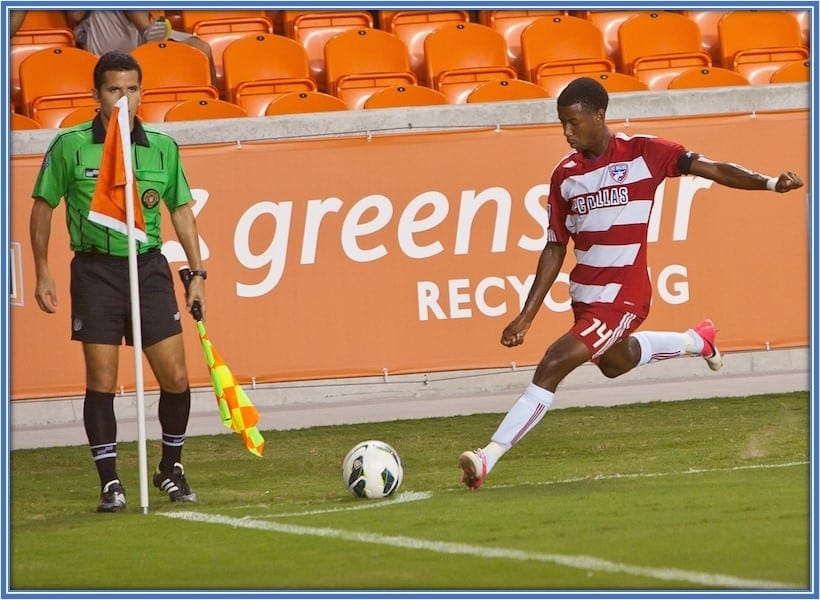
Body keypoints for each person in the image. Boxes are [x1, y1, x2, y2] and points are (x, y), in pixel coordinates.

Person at [458, 76, 804, 490]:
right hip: (586, 296)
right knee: (614, 364)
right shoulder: (564, 176)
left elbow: (712, 169)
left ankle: (486, 457)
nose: (567, 133)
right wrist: (526, 315)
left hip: (624, 297)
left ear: (599, 115)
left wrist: (768, 182)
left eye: (574, 122)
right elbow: (554, 247)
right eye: (562, 124)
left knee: (552, 364)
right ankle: (699, 340)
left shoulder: (645, 153)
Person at [29, 50, 207, 512]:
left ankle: (171, 468)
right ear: (96, 95)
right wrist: (43, 269)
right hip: (94, 270)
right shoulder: (69, 146)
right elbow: (43, 206)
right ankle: (110, 481)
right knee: (102, 379)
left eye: (131, 89)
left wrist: (197, 272)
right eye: (114, 90)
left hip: (147, 267)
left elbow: (181, 211)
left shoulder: (163, 147)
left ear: (142, 92)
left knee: (177, 376)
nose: (123, 98)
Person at [65, 10, 217, 85]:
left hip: (148, 28)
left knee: (201, 49)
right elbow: (75, 14)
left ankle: (215, 108)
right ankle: (148, 32)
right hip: (107, 30)